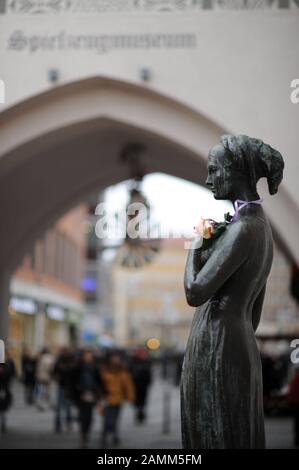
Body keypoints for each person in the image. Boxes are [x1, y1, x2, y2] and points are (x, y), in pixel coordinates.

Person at [182, 134, 284, 449]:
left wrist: (196, 244)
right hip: (239, 342)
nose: (208, 179)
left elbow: (195, 292)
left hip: (218, 342)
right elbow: (253, 313)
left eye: (215, 170)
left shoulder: (242, 229)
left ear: (238, 171)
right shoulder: (259, 225)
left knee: (217, 432)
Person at [99, 351, 135, 447]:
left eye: (117, 358)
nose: (116, 360)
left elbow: (128, 384)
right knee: (107, 419)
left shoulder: (122, 369)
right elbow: (99, 383)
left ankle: (114, 435)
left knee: (115, 419)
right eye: (114, 358)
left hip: (118, 398)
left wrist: (130, 396)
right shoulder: (104, 370)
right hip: (107, 398)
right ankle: (104, 436)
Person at [72, 349, 103, 448]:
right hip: (81, 394)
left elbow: (99, 381)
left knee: (89, 416)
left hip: (91, 394)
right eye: (86, 355)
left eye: (90, 355)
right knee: (82, 416)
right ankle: (83, 434)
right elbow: (72, 380)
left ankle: (86, 433)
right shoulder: (78, 367)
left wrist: (100, 393)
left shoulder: (95, 367)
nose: (88, 357)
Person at [53, 347, 75, 433]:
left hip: (68, 386)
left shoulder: (71, 360)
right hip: (62, 386)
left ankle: (66, 423)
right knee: (60, 406)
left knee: (68, 406)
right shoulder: (60, 360)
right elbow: (55, 372)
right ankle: (59, 424)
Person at [130, 348, 152, 424]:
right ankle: (139, 413)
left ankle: (141, 413)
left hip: (143, 385)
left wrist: (149, 382)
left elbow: (149, 373)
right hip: (135, 384)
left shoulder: (146, 361)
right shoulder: (133, 361)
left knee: (142, 400)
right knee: (137, 400)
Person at [0, 349, 16, 435]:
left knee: (3, 408)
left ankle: (3, 424)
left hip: (4, 389)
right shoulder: (8, 364)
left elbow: (11, 374)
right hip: (4, 388)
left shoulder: (9, 364)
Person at [288, 366, 299, 447]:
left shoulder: (295, 378)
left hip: (296, 403)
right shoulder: (296, 378)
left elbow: (291, 390)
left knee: (297, 423)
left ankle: (297, 440)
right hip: (296, 402)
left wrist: (290, 400)